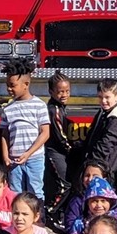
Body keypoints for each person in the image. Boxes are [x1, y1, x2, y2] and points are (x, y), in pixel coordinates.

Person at [0, 58, 50, 201]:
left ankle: (38, 220)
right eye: (7, 85)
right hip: (14, 160)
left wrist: (29, 153)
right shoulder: (8, 109)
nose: (9, 88)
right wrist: (5, 156)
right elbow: (5, 134)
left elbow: (45, 133)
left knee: (35, 191)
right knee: (15, 193)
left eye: (12, 85)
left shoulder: (39, 105)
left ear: (26, 84)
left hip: (34, 158)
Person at [80, 78, 117, 176]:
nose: (103, 101)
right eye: (100, 97)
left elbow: (106, 146)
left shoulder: (116, 120)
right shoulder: (103, 112)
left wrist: (91, 163)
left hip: (105, 168)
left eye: (107, 97)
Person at [44, 71, 75, 207]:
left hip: (59, 151)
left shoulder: (61, 107)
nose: (64, 95)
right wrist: (72, 150)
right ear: (51, 92)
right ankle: (51, 211)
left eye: (67, 91)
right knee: (65, 184)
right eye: (60, 92)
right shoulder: (54, 110)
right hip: (54, 151)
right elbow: (60, 135)